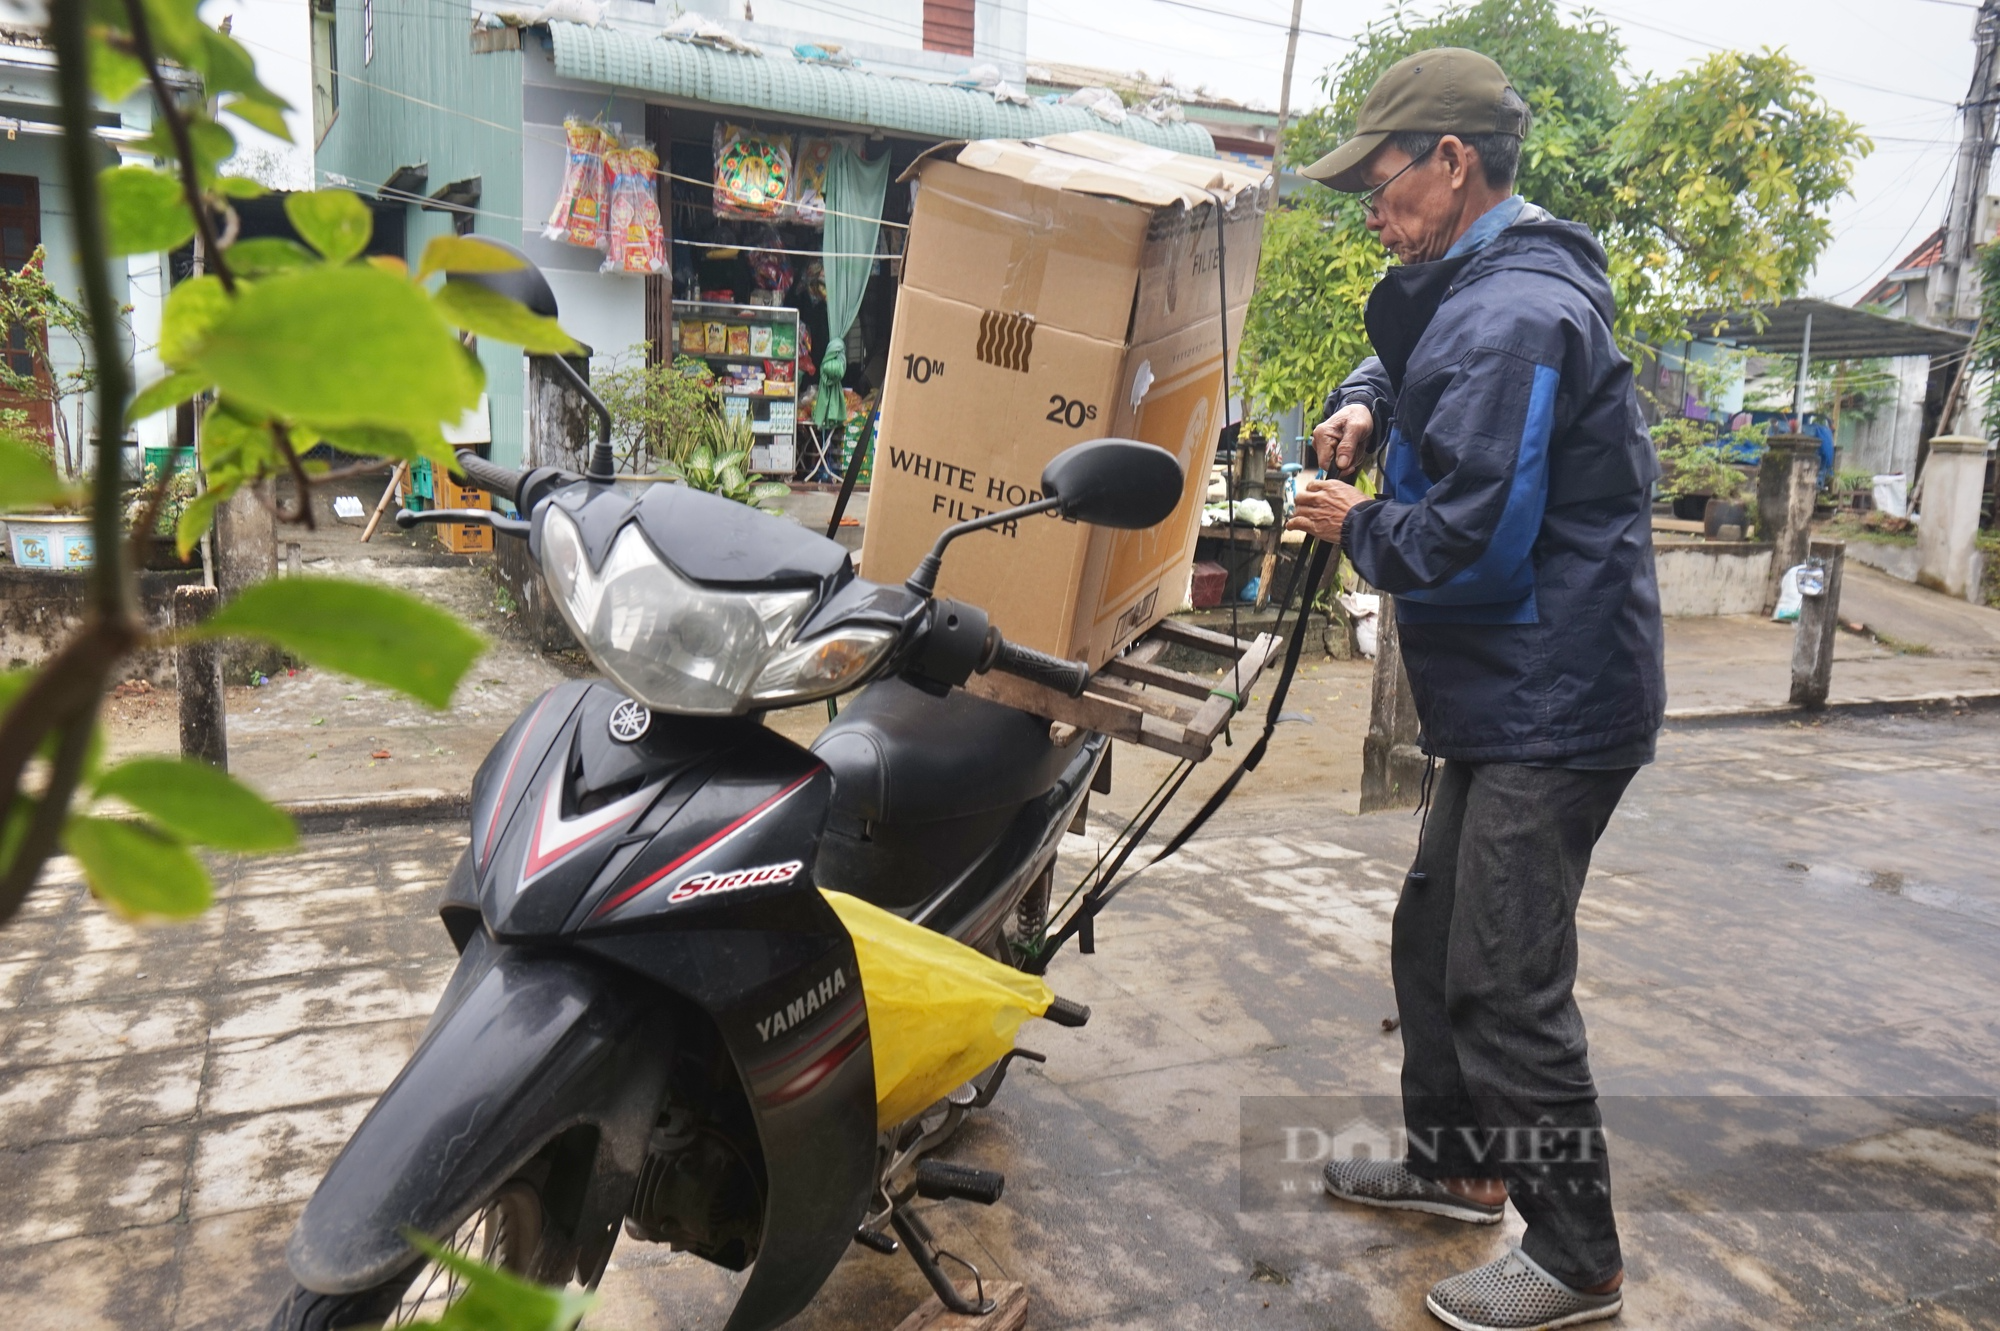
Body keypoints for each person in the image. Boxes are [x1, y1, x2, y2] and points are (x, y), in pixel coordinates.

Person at [1283, 47, 1665, 1331]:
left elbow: (1474, 536)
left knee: (1503, 973)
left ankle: (1575, 1254)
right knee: (1434, 930)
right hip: (1510, 684)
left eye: (1382, 186)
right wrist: (1354, 399)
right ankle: (1457, 1167)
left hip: (1553, 693)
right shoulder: (1478, 282)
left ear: (1452, 163)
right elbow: (1414, 356)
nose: (1372, 214)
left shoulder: (1514, 312)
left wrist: (1355, 520)